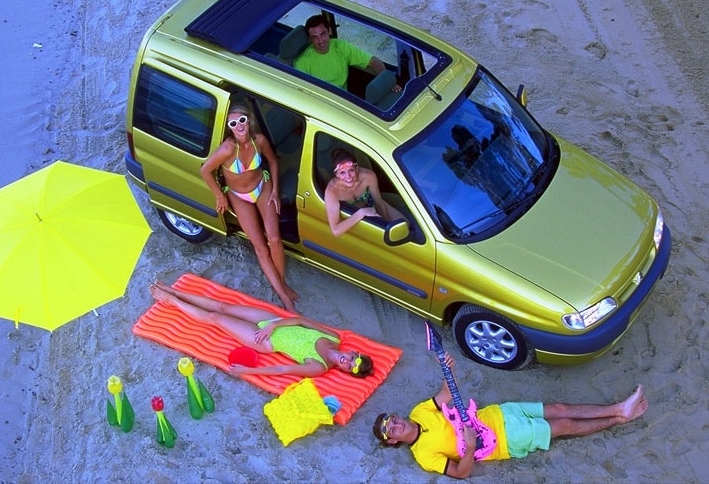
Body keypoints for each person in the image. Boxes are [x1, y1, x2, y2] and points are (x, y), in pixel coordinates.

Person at [372, 352, 648, 479]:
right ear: (392, 441)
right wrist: (470, 446)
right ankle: (618, 418)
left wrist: (448, 369)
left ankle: (618, 409)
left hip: (500, 412)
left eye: (391, 419)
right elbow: (459, 473)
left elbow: (447, 394)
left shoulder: (418, 412)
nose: (394, 424)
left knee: (560, 408)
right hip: (504, 440)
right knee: (562, 424)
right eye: (389, 429)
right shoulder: (423, 455)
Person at [149, 281, 374, 379]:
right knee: (223, 306)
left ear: (345, 371)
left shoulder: (319, 367)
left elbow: (283, 370)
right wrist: (274, 324)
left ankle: (171, 301)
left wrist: (246, 372)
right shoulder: (333, 337)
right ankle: (175, 291)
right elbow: (299, 320)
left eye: (350, 367)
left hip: (265, 342)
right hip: (272, 321)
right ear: (353, 352)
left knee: (216, 317)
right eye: (353, 358)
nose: (347, 361)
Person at [199, 106, 298, 312]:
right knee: (260, 247)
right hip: (239, 196)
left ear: (248, 120)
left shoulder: (259, 140)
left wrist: (275, 190)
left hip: (262, 186)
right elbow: (205, 170)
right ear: (229, 127)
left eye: (242, 120)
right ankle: (283, 296)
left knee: (275, 239)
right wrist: (219, 195)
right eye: (233, 123)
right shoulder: (227, 149)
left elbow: (272, 161)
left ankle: (282, 283)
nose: (239, 126)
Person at [294, 14, 401, 92]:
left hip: (346, 99)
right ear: (310, 39)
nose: (320, 40)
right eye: (315, 37)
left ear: (329, 31)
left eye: (323, 34)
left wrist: (389, 83)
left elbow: (374, 61)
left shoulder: (340, 46)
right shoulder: (302, 63)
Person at [324, 148, 404, 236]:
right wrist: (361, 213)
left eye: (351, 170)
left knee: (404, 224)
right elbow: (336, 230)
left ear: (357, 168)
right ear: (337, 175)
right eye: (342, 172)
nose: (348, 176)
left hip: (372, 206)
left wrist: (387, 225)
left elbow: (379, 203)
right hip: (355, 218)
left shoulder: (368, 176)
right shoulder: (332, 191)